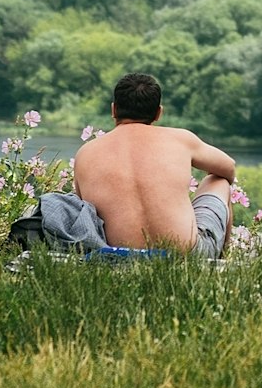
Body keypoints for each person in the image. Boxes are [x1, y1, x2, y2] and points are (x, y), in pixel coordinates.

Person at [72, 72, 236, 258]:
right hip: (184, 256)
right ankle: (222, 264)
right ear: (158, 113)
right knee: (219, 181)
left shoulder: (86, 153)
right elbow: (229, 168)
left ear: (114, 110)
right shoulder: (180, 139)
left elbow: (85, 212)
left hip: (117, 255)